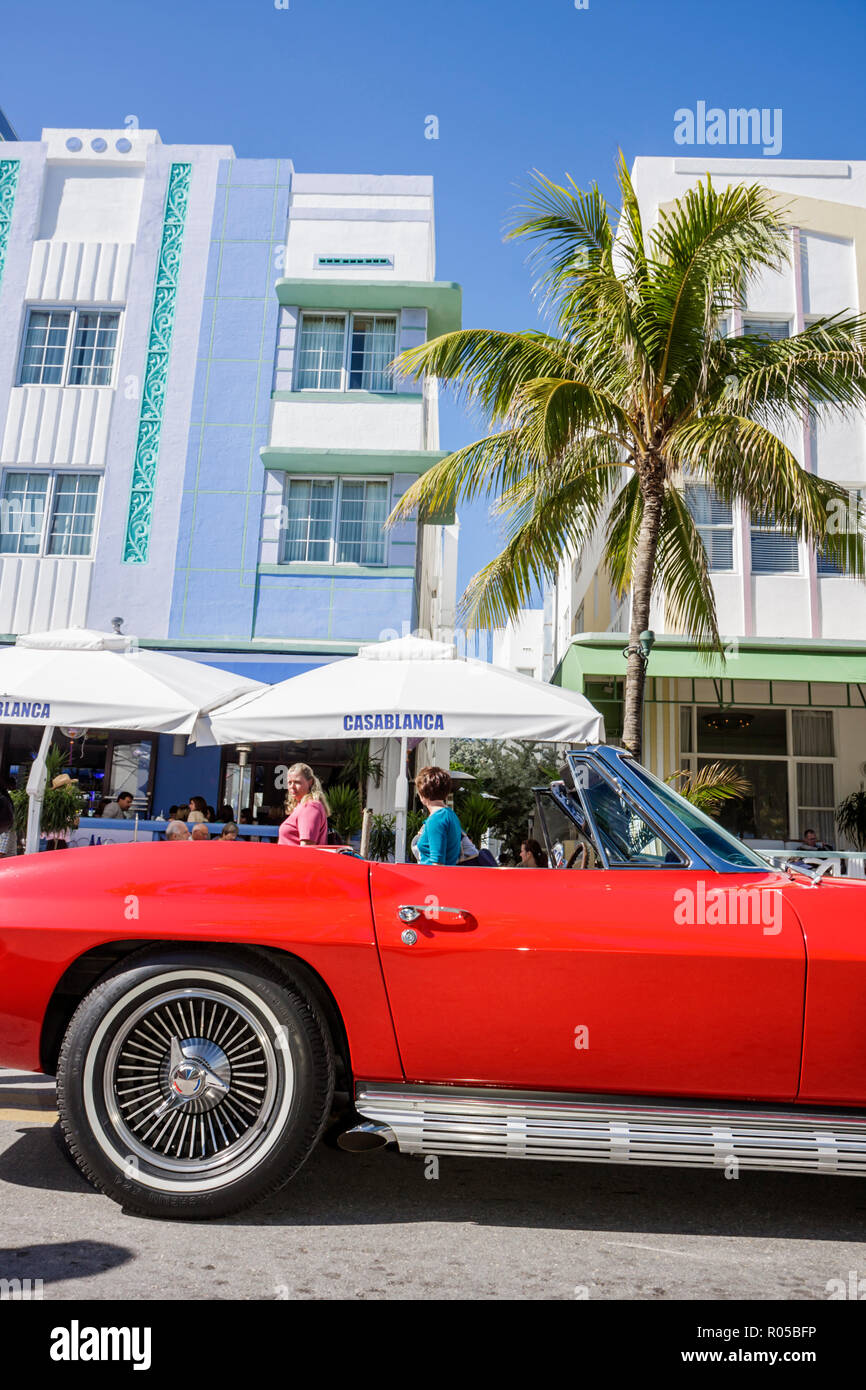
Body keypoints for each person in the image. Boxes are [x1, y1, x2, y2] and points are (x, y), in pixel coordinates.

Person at [414, 766, 462, 866]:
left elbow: (437, 863)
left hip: (429, 879)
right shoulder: (450, 815)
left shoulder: (436, 819)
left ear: (422, 793)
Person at [278, 764, 329, 847]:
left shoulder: (310, 807)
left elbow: (307, 848)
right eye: (289, 782)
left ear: (310, 782)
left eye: (297, 782)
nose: (292, 786)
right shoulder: (302, 805)